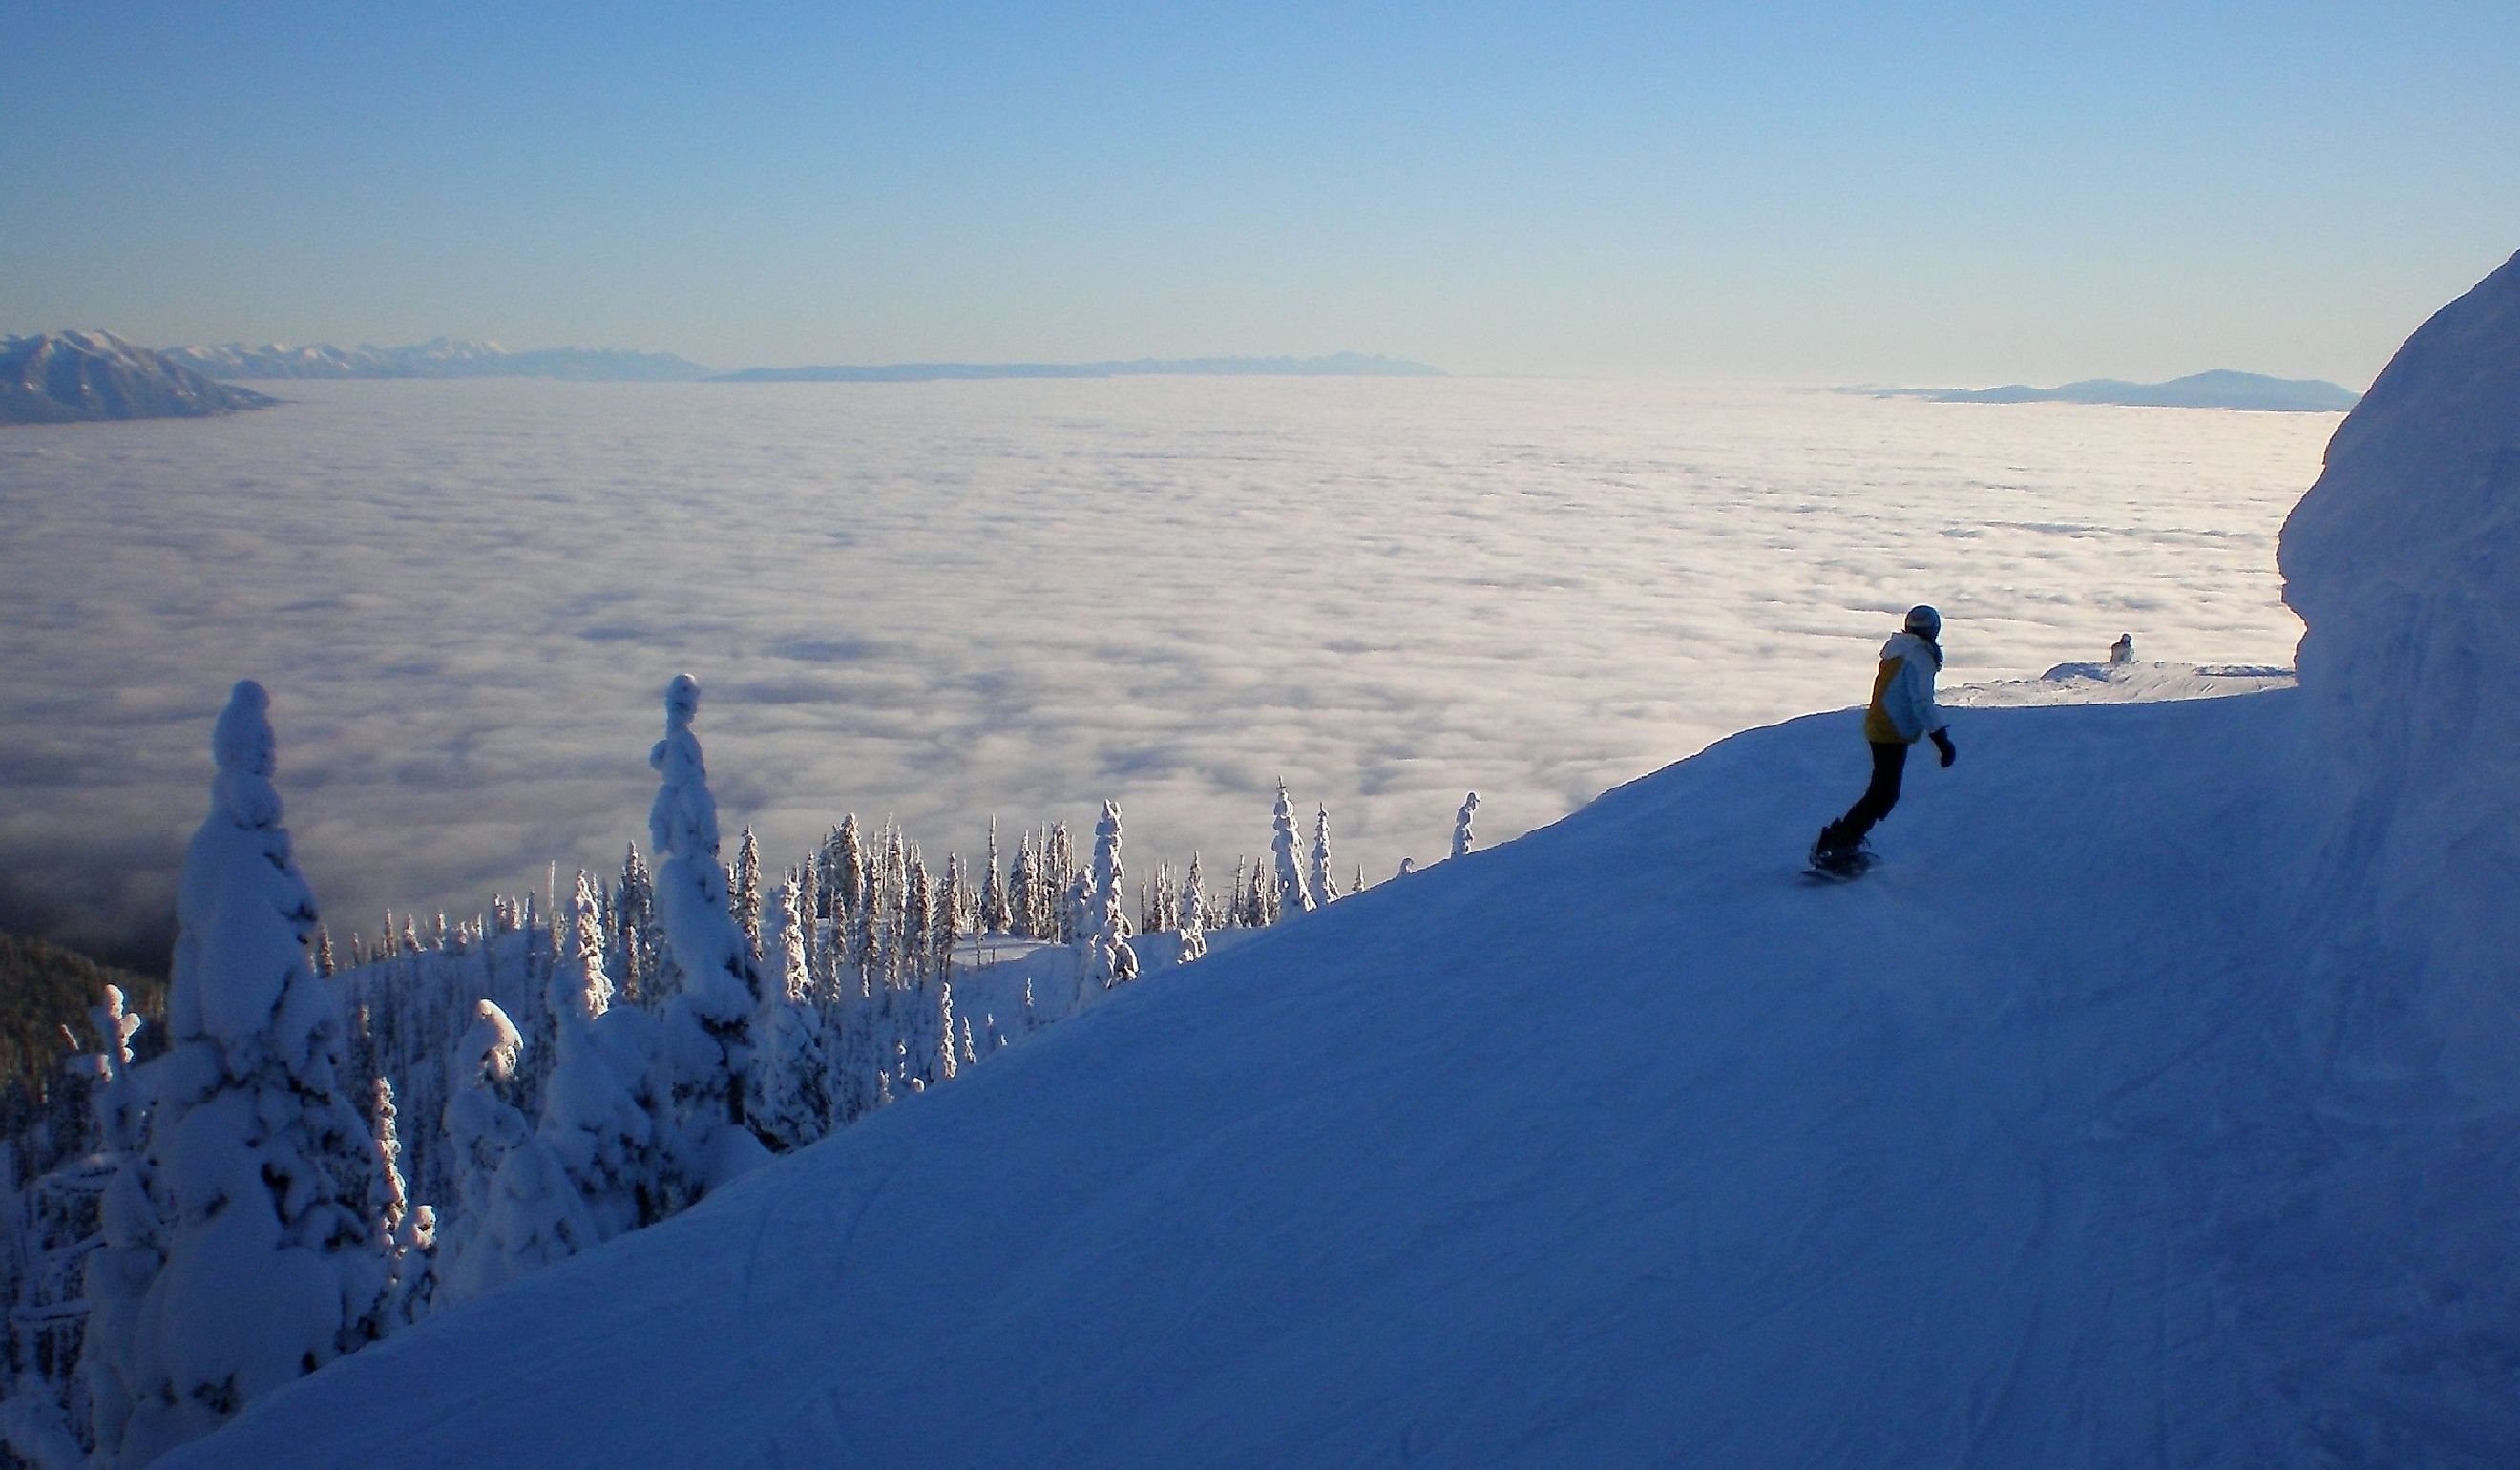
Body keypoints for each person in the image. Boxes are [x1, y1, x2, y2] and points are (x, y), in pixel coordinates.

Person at [1811, 605, 1955, 872]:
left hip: (1880, 724)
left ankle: (1840, 841)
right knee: (1884, 793)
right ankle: (1838, 845)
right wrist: (1941, 740)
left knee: (1882, 790)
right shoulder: (1919, 656)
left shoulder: (1898, 649)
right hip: (1892, 728)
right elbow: (1921, 702)